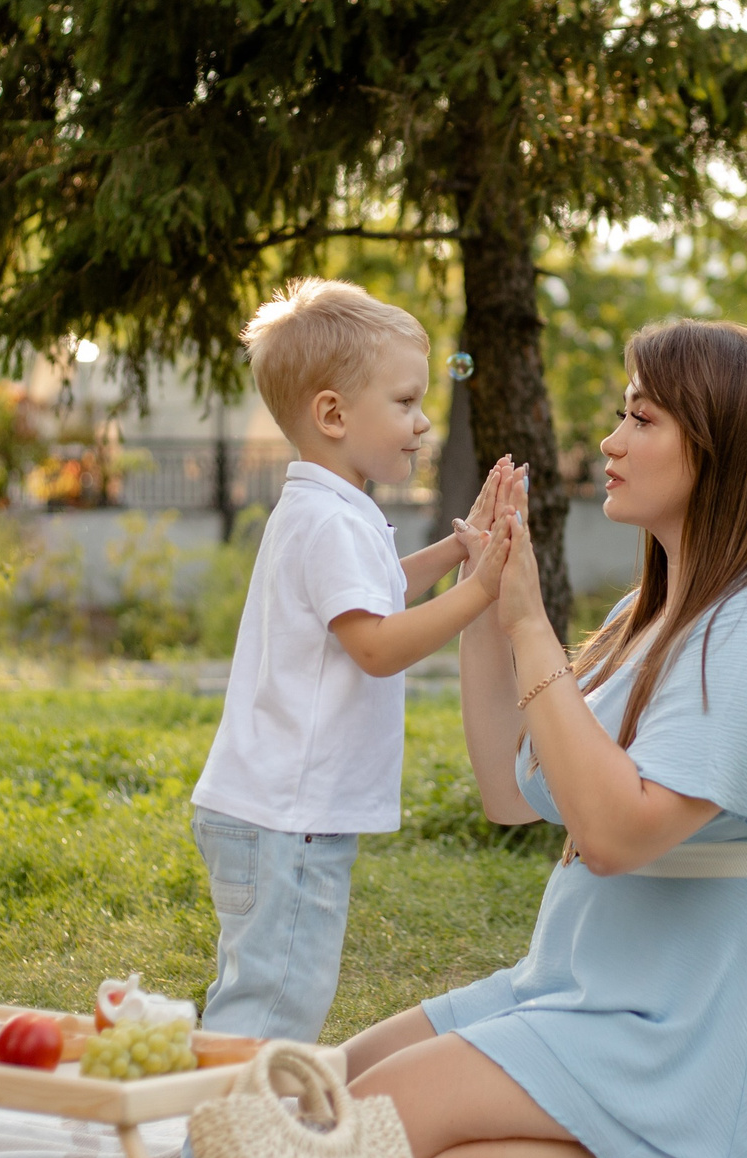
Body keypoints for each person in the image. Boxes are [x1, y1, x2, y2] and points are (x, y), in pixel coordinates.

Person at [343, 319, 747, 1158]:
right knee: (337, 1085)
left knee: (375, 1124)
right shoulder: (659, 609)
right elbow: (507, 790)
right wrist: (487, 603)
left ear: (721, 448)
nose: (610, 440)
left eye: (642, 419)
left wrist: (529, 625)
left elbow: (614, 834)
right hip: (603, 983)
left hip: (704, 1025)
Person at [186, 278, 510, 1048]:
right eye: (403, 403)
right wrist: (482, 590)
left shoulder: (329, 508)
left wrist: (457, 553)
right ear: (332, 414)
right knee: (274, 1009)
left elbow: (382, 590)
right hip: (288, 822)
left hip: (266, 812)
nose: (423, 421)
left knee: (255, 992)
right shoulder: (329, 521)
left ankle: (215, 1141)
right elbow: (374, 646)